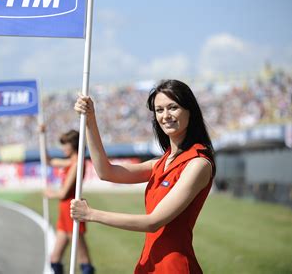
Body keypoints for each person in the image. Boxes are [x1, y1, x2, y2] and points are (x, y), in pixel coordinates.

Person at [71, 79, 215, 274]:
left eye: (173, 107)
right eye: (159, 110)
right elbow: (106, 172)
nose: (166, 116)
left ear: (190, 110)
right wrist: (90, 120)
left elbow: (153, 222)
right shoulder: (160, 162)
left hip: (174, 267)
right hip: (148, 264)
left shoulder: (198, 164)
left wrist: (91, 214)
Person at [39, 126, 95, 274]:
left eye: (66, 145)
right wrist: (42, 137)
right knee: (54, 258)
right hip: (64, 211)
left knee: (82, 257)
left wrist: (50, 193)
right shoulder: (70, 161)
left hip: (72, 210)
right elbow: (48, 161)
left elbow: (64, 193)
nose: (63, 148)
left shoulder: (77, 163)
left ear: (74, 145)